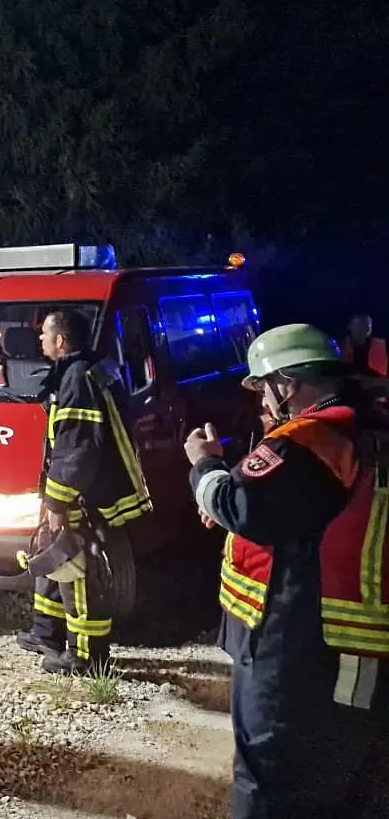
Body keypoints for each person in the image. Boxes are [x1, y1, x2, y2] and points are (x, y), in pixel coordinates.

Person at [185, 323, 389, 818]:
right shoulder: (368, 428)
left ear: (289, 383)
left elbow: (243, 505)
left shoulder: (313, 437)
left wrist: (204, 467)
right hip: (357, 650)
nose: (261, 403)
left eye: (262, 388)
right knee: (358, 786)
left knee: (274, 782)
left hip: (300, 650)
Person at [16, 309, 152, 675]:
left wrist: (59, 500)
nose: (40, 340)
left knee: (79, 570)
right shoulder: (87, 370)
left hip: (84, 496)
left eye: (44, 334)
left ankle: (87, 657)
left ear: (60, 340)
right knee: (52, 558)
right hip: (76, 490)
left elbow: (77, 448)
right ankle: (46, 633)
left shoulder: (77, 378)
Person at [342, 312, 387, 377]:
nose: (367, 327)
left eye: (368, 325)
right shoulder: (343, 345)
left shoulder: (379, 346)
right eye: (356, 324)